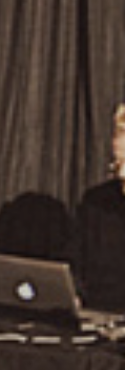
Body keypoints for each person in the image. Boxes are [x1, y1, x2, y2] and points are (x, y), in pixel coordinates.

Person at [75, 104, 125, 310]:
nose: (121, 144)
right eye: (120, 134)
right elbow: (76, 266)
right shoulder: (96, 201)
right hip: (98, 315)